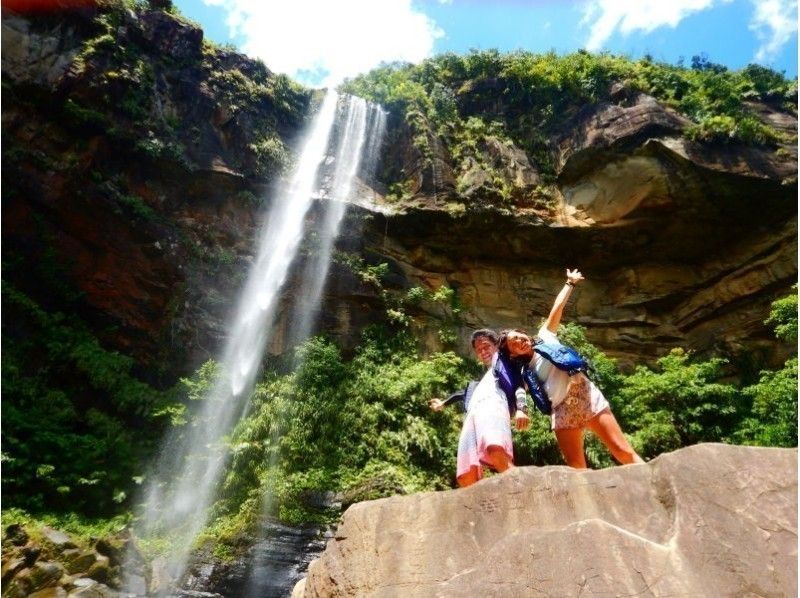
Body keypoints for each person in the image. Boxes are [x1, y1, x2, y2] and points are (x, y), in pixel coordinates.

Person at [499, 269, 644, 469]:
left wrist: (570, 283)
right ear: (513, 354)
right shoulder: (524, 371)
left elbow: (557, 308)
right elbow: (520, 390)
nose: (519, 341)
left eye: (519, 336)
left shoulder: (545, 337)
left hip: (584, 394)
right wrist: (521, 411)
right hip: (561, 410)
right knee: (577, 468)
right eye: (513, 343)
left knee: (622, 450)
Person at [432, 329, 529, 487]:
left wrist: (521, 408)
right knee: (465, 473)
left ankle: (520, 491)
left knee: (495, 449)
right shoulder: (478, 384)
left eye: (486, 346)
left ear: (496, 346)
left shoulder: (505, 362)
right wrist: (443, 403)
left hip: (494, 404)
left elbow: (519, 384)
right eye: (479, 350)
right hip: (472, 414)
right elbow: (460, 394)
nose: (483, 352)